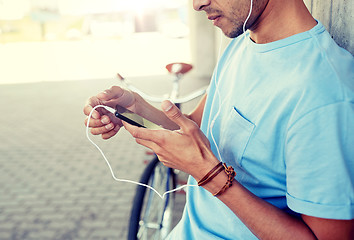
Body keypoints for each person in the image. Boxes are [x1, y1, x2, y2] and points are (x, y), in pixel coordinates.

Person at [84, 0, 354, 239]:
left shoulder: (324, 94)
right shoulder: (241, 43)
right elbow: (196, 129)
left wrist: (207, 174)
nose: (197, 4)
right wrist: (135, 109)